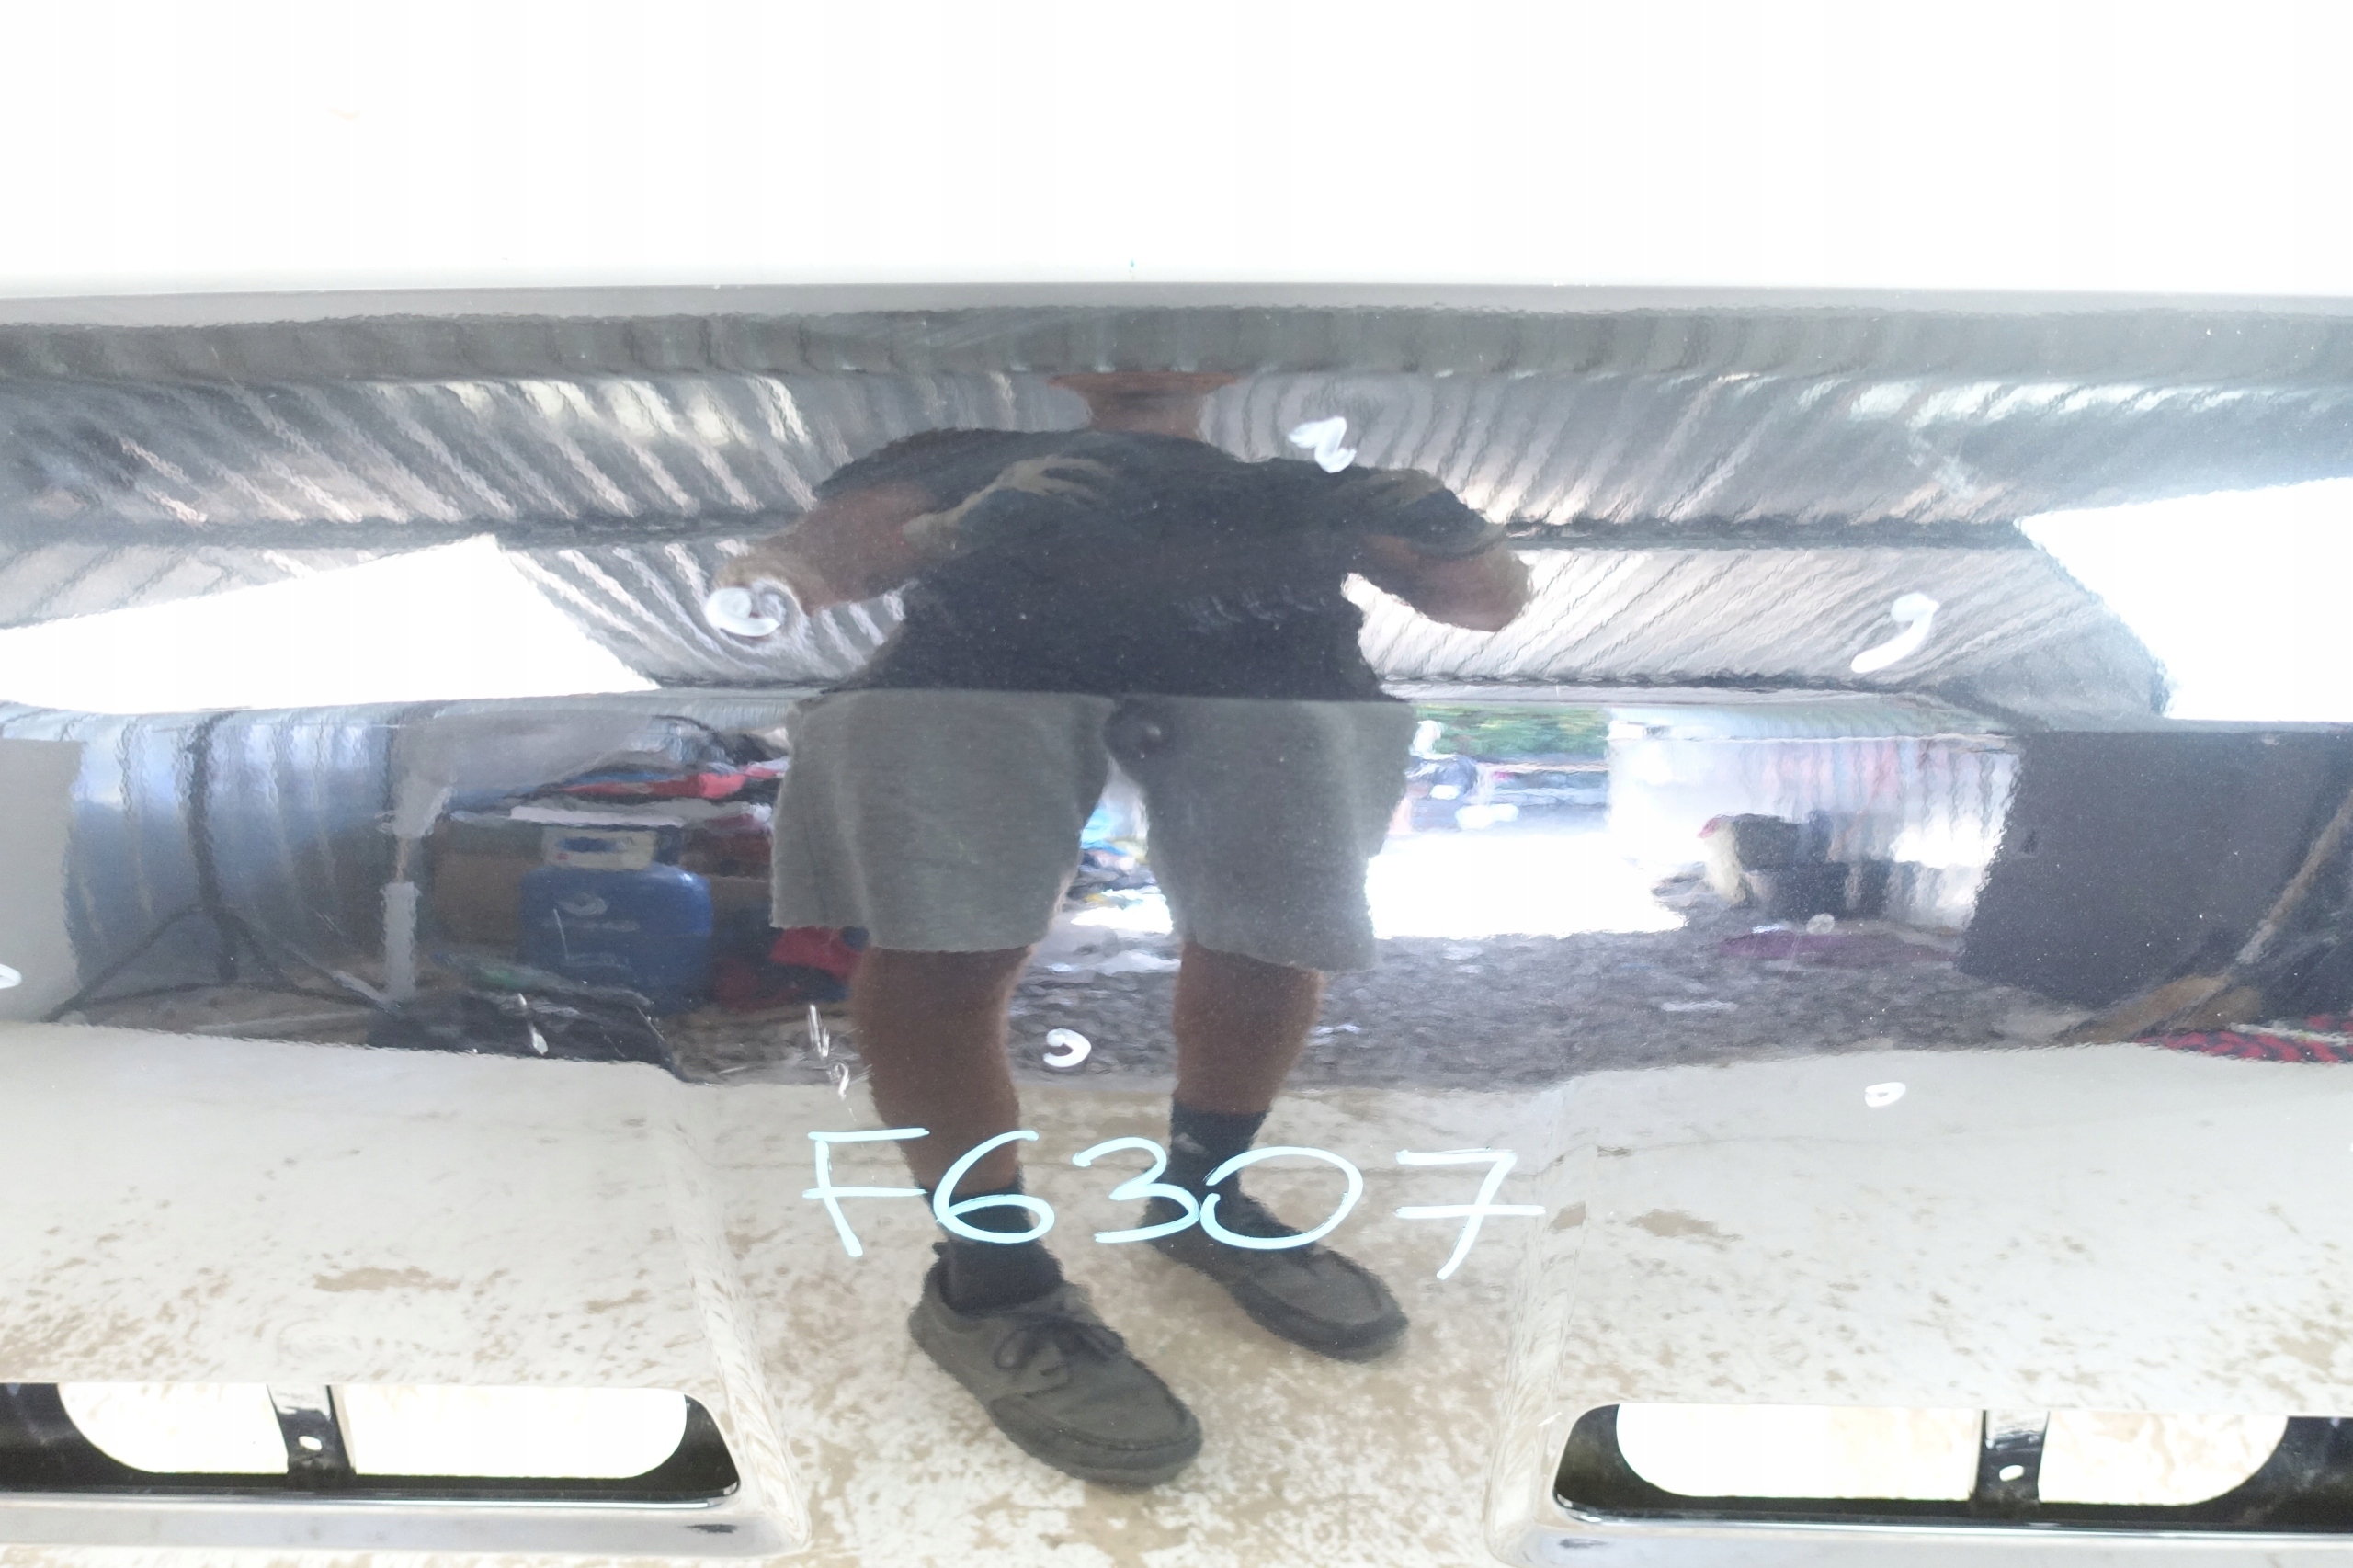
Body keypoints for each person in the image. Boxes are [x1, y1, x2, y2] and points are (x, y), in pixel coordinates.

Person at [716, 372, 1530, 1485]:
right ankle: (989, 1284)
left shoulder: (1294, 486)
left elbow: (1484, 603)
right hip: (982, 676)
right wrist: (948, 529)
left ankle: (1202, 1200)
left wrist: (1450, 528)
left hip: (1265, 681)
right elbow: (800, 569)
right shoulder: (964, 452)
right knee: (942, 950)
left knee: (1271, 936)